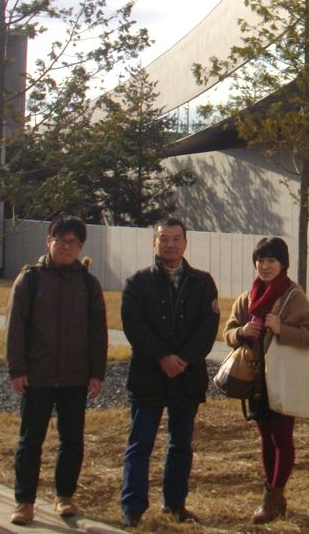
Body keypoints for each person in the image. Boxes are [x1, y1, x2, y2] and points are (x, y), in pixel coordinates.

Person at [5, 215, 108, 526]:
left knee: (72, 440)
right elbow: (15, 327)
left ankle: (65, 496)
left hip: (76, 376)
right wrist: (17, 369)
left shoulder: (88, 284)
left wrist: (97, 373)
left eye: (73, 242)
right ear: (48, 241)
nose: (66, 246)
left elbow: (98, 332)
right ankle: (25, 502)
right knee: (30, 441)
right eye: (61, 240)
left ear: (81, 246)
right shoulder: (30, 279)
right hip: (37, 376)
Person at [118, 217, 220, 528]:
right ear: (154, 243)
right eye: (164, 239)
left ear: (185, 243)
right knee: (140, 445)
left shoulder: (203, 283)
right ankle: (133, 507)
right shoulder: (137, 283)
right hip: (148, 376)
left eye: (176, 239)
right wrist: (162, 357)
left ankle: (175, 503)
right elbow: (134, 327)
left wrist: (183, 359)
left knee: (181, 444)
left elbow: (207, 329)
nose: (170, 244)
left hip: (186, 378)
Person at [223, 236, 309, 524]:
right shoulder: (248, 297)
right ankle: (272, 492)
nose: (265, 266)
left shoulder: (293, 296)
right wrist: (242, 332)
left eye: (271, 261)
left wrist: (282, 329)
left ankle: (275, 495)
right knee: (265, 436)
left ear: (283, 264)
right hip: (256, 379)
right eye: (260, 260)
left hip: (283, 376)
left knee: (282, 436)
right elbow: (228, 333)